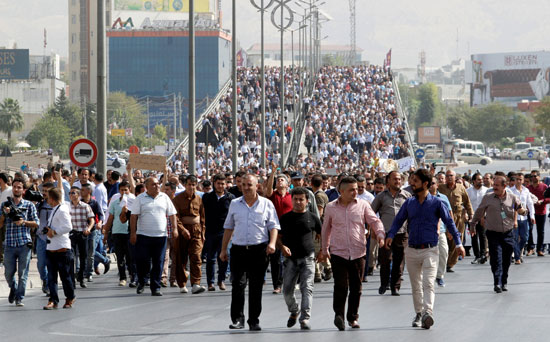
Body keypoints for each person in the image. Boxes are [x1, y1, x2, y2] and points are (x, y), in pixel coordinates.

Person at [386, 169, 465, 329]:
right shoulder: (409, 203)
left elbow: (449, 223)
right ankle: (419, 313)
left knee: (428, 283)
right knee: (416, 285)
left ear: (425, 184)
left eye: (415, 181)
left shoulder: (437, 203)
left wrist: (458, 243)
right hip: (412, 250)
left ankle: (428, 312)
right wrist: (391, 234)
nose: (411, 184)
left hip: (430, 249)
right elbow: (398, 220)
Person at [319, 176, 385, 331]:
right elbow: (326, 229)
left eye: (356, 189)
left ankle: (353, 318)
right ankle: (339, 316)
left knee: (356, 287)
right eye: (351, 190)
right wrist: (324, 249)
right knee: (340, 285)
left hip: (358, 252)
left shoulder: (363, 205)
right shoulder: (330, 207)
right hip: (338, 252)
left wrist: (380, 234)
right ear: (341, 191)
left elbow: (374, 221)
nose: (355, 192)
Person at [220, 173, 280, 331]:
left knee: (256, 286)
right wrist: (223, 249)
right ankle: (238, 319)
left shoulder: (266, 204)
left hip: (259, 250)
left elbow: (273, 226)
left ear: (257, 186)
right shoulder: (234, 203)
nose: (246, 188)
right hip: (239, 250)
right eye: (244, 185)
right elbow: (228, 227)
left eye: (249, 185)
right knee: (237, 285)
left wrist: (272, 243)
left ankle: (254, 320)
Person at [470, 176, 525, 293]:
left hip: (508, 233)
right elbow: (479, 212)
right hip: (493, 233)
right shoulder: (488, 198)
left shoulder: (513, 198)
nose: (494, 187)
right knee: (496, 259)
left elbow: (521, 209)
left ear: (504, 186)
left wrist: (524, 212)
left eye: (497, 185)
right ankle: (497, 283)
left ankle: (504, 281)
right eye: (493, 185)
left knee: (506, 259)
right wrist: (472, 224)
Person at [278, 187, 322, 330]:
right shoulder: (285, 218)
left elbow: (322, 235)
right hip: (290, 259)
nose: (298, 202)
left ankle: (305, 318)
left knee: (307, 288)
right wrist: (282, 247)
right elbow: (277, 237)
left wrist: (322, 251)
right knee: (287, 291)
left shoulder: (313, 217)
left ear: (307, 201)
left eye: (301, 199)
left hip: (308, 258)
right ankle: (294, 310)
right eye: (295, 199)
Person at [130, 177, 179, 296]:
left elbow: (172, 214)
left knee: (159, 262)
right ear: (146, 186)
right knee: (143, 261)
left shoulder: (164, 197)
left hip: (160, 235)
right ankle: (142, 281)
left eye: (158, 184)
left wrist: (175, 229)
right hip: (143, 235)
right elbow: (133, 216)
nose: (157, 186)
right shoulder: (140, 198)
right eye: (153, 184)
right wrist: (133, 233)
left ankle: (155, 287)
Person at [370, 171, 411, 295]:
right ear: (388, 181)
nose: (397, 181)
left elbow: (412, 214)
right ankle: (384, 284)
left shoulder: (407, 196)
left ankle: (395, 286)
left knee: (399, 261)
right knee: (385, 260)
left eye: (399, 179)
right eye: (395, 179)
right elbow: (371, 214)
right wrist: (373, 230)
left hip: (402, 233)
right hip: (385, 233)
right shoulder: (381, 196)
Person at [0, 178, 40, 306]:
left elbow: (36, 223)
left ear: (23, 190)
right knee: (8, 274)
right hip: (9, 244)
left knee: (23, 274)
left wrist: (24, 222)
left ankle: (19, 297)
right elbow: (0, 224)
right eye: (14, 187)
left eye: (19, 187)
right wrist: (4, 214)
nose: (16, 189)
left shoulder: (29, 205)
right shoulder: (5, 205)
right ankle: (14, 288)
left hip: (24, 243)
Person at [172, 175, 207, 294]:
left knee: (196, 257)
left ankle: (196, 283)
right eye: (189, 184)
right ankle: (182, 283)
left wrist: (203, 233)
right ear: (185, 185)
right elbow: (175, 217)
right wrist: (182, 230)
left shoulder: (199, 199)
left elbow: (202, 217)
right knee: (181, 258)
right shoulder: (177, 199)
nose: (191, 187)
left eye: (193, 185)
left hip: (196, 231)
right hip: (183, 232)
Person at [43, 188, 77, 310]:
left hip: (62, 249)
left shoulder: (62, 210)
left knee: (65, 277)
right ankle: (53, 300)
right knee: (51, 277)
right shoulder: (54, 210)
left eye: (48, 198)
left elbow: (68, 226)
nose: (47, 200)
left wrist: (55, 232)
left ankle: (70, 297)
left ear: (52, 199)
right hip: (51, 248)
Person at [202, 174, 235, 291]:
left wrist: (232, 233)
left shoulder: (231, 198)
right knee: (210, 258)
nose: (221, 186)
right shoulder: (207, 197)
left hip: (225, 232)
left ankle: (221, 280)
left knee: (224, 256)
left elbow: (234, 216)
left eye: (223, 183)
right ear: (214, 183)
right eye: (218, 183)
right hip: (210, 231)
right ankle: (210, 283)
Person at [438, 170, 473, 272]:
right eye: (447, 176)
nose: (449, 177)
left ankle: (450, 263)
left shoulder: (461, 188)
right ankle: (443, 261)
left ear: (455, 177)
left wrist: (471, 214)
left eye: (451, 175)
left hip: (458, 217)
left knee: (457, 239)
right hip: (444, 217)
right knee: (445, 239)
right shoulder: (441, 188)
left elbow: (467, 202)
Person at [265, 166, 292, 294]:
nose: (279, 181)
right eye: (278, 180)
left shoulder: (291, 196)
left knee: (290, 258)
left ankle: (291, 281)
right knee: (275, 260)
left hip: (288, 231)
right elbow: (268, 189)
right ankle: (277, 284)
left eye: (282, 180)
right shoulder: (272, 195)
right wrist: (273, 174)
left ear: (287, 184)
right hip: (274, 231)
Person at [103, 181, 134, 286]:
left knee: (130, 256)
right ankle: (122, 277)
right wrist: (106, 233)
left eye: (126, 190)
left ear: (129, 190)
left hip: (129, 232)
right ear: (119, 191)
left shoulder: (133, 202)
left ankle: (132, 275)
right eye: (122, 190)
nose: (124, 192)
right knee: (120, 257)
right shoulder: (115, 202)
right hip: (117, 232)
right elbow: (110, 218)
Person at [68, 186, 95, 288]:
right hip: (71, 234)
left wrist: (89, 228)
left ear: (78, 195)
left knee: (83, 256)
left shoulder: (85, 206)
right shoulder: (67, 206)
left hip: (82, 234)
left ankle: (82, 277)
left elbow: (92, 219)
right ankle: (72, 279)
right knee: (71, 257)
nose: (71, 195)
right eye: (70, 193)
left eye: (73, 193)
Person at [430, 177, 453, 287]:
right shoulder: (422, 198)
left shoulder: (443, 198)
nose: (431, 185)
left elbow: (449, 214)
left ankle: (440, 276)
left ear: (437, 185)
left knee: (444, 252)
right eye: (429, 183)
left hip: (442, 231)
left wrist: (451, 230)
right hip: (427, 231)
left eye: (433, 183)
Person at [509, 173, 535, 264]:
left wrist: (532, 216)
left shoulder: (526, 190)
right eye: (517, 179)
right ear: (514, 180)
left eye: (521, 179)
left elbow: (530, 203)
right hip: (513, 218)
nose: (519, 181)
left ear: (523, 180)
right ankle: (517, 257)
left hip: (524, 217)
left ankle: (517, 252)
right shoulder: (510, 190)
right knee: (515, 238)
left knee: (525, 238)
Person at [466, 173, 488, 264]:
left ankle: (483, 255)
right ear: (474, 181)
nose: (481, 181)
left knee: (483, 236)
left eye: (481, 179)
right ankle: (477, 256)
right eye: (479, 179)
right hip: (472, 217)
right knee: (473, 237)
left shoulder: (486, 191)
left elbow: (488, 204)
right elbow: (465, 204)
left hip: (483, 217)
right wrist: (467, 215)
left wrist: (484, 216)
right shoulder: (468, 191)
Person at [527, 170, 549, 256]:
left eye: (535, 176)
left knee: (541, 231)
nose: (533, 178)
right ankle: (530, 248)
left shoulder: (544, 186)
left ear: (539, 177)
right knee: (529, 230)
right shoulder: (528, 188)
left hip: (541, 211)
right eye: (531, 176)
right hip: (530, 212)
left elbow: (549, 198)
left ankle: (540, 249)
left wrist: (542, 201)